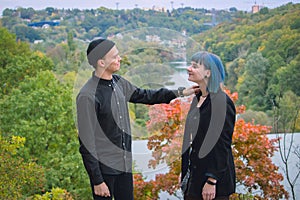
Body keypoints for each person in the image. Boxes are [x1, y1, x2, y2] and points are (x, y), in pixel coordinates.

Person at [76, 38, 198, 200]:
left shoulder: (118, 83)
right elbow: (87, 142)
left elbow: (147, 95)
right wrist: (97, 180)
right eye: (114, 56)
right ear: (101, 62)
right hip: (104, 171)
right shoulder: (87, 95)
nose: (119, 58)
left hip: (124, 165)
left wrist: (180, 92)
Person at [180, 51, 236, 200]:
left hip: (213, 183)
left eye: (195, 66)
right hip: (195, 177)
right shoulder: (198, 99)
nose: (189, 69)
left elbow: (222, 144)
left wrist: (212, 180)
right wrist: (186, 169)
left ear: (208, 73)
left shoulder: (221, 102)